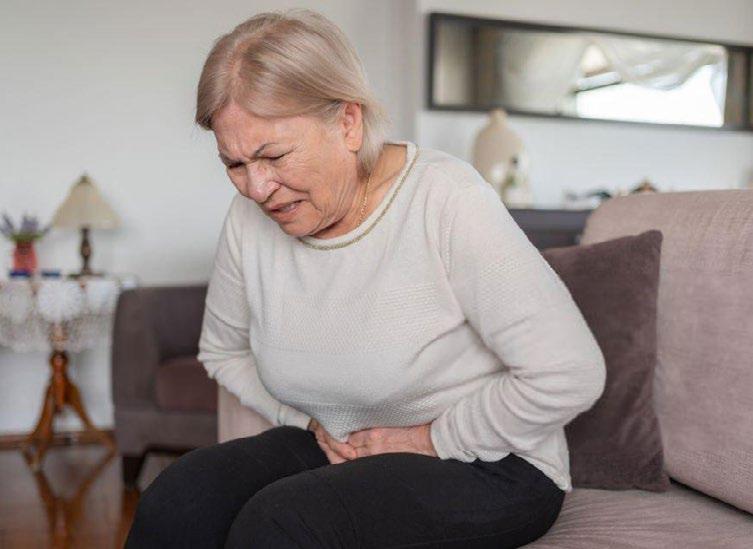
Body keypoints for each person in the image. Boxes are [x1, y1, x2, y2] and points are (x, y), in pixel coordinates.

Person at [125, 8, 606, 548]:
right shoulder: (248, 221)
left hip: (491, 462)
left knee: (282, 523)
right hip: (344, 446)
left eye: (273, 156)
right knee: (179, 498)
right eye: (234, 165)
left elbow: (570, 371)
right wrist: (308, 423)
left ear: (348, 123)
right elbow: (223, 352)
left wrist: (432, 438)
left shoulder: (446, 198)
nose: (256, 189)